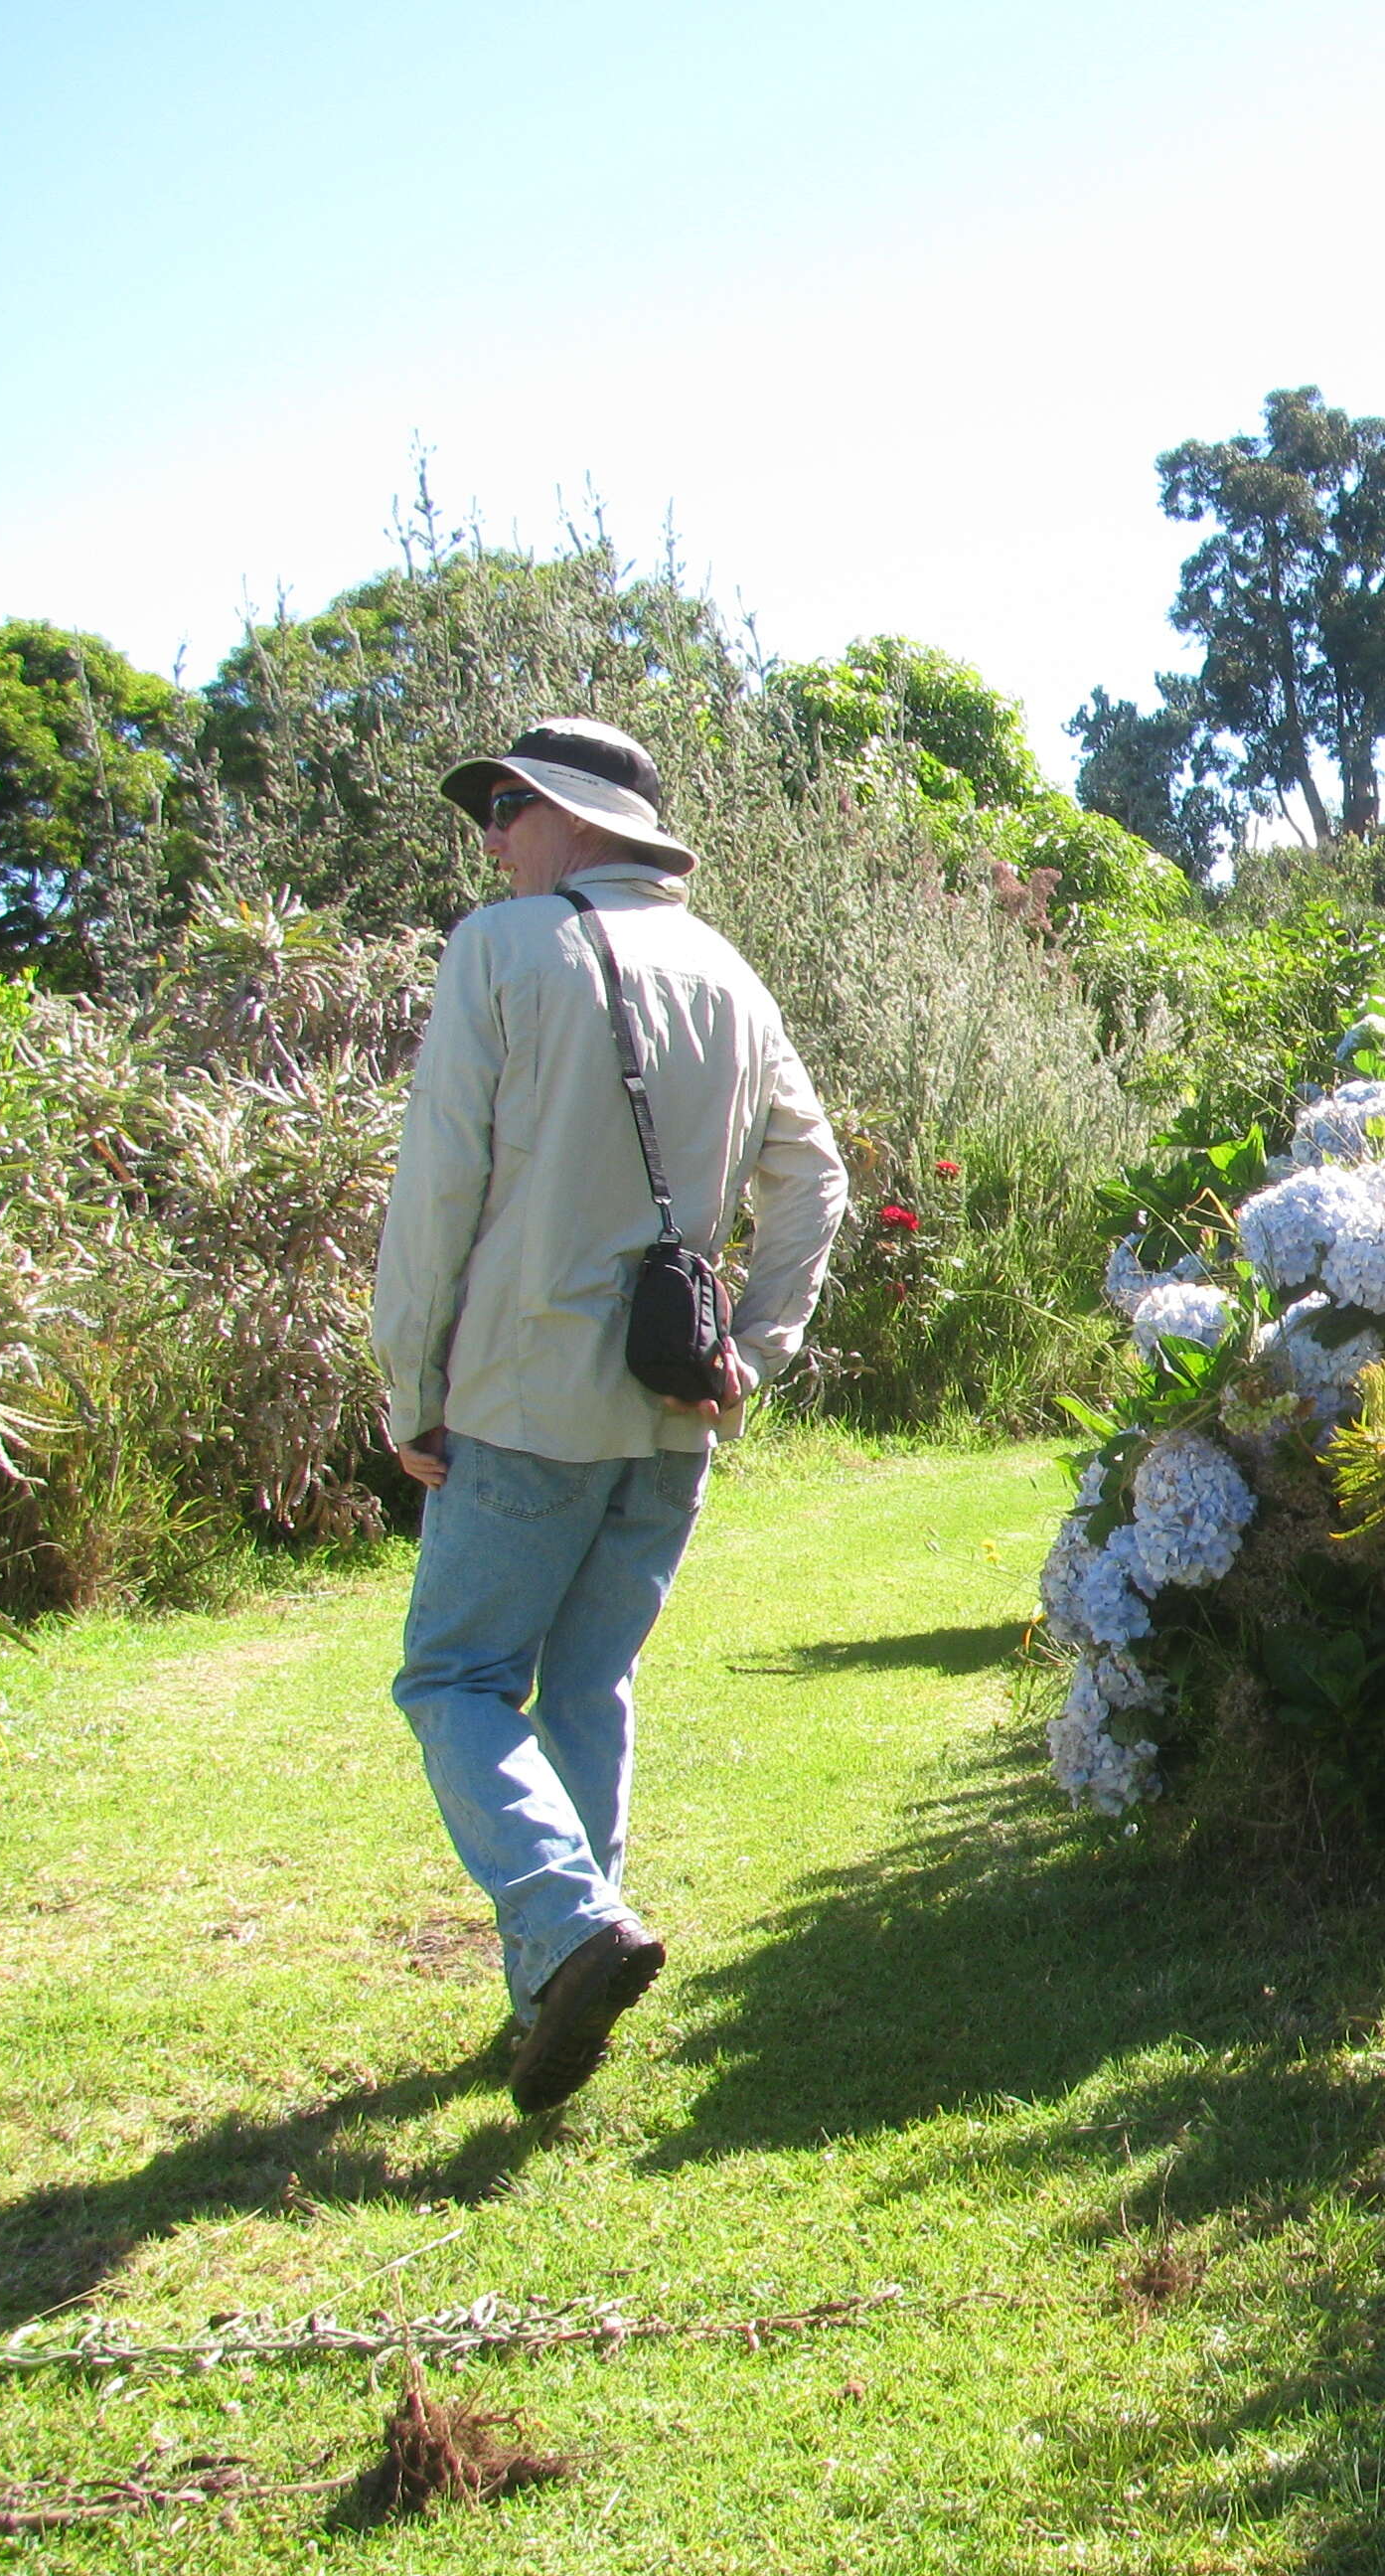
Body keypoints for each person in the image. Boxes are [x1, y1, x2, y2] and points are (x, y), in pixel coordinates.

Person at [371, 718, 847, 2115]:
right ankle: (556, 1980)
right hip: (672, 1406)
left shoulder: (500, 951)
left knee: (453, 1678)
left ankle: (566, 1924)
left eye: (505, 806)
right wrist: (754, 1339)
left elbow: (437, 1193)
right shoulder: (730, 976)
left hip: (519, 1399)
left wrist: (409, 1385)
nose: (494, 834)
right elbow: (815, 1179)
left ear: (575, 814)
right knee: (587, 1685)